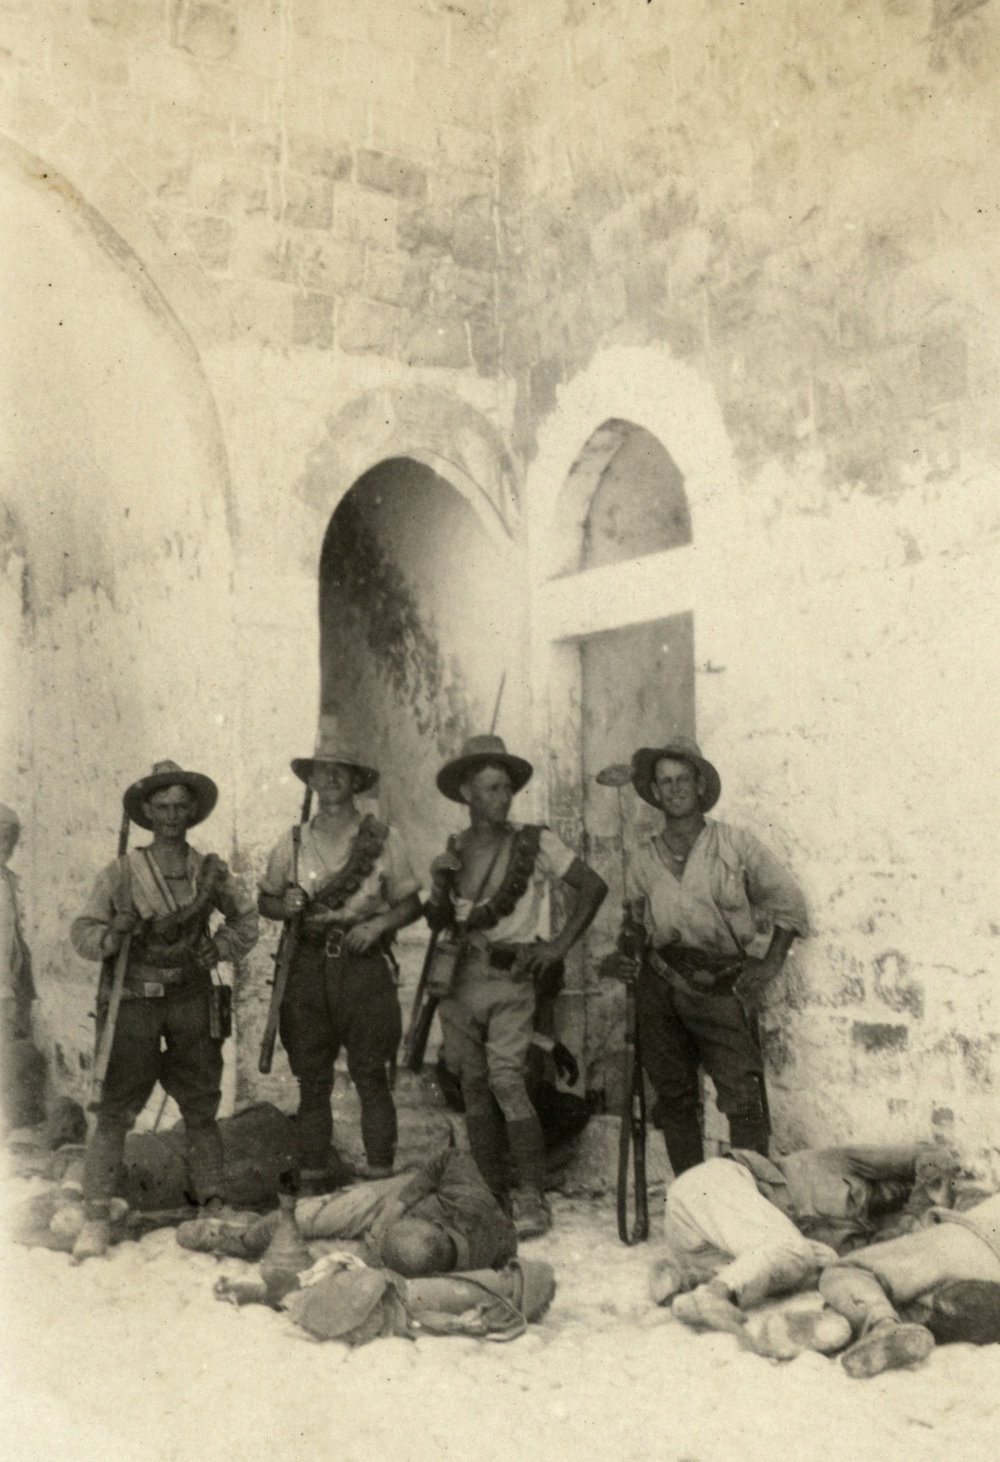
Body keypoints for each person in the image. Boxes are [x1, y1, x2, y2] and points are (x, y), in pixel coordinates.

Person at [70, 761, 259, 1261]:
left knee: (200, 1107)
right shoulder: (122, 872)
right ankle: (94, 1214)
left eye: (181, 807)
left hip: (191, 1001)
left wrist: (216, 948)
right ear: (147, 813)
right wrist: (114, 934)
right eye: (162, 808)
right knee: (114, 1111)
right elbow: (84, 934)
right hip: (134, 1005)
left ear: (193, 811)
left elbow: (246, 923)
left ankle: (213, 1203)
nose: (172, 816)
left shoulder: (209, 872)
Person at [424, 733, 607, 1239]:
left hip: (511, 978)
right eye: (489, 788)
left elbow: (592, 887)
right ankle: (488, 1192)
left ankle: (531, 1194)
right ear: (466, 793)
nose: (501, 799)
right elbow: (440, 919)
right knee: (475, 1087)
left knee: (508, 1080)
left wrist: (558, 947)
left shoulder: (535, 841)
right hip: (460, 980)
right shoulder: (454, 850)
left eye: (506, 788)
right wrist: (439, 883)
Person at [623, 736, 808, 1175]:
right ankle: (695, 1200)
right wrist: (627, 948)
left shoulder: (735, 845)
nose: (674, 789)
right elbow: (632, 924)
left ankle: (752, 1200)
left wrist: (770, 963)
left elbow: (789, 903)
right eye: (664, 782)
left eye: (683, 778)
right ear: (655, 792)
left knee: (742, 1099)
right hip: (661, 986)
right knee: (675, 1098)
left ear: (700, 785)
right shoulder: (643, 859)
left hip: (721, 987)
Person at [257, 722, 422, 1191]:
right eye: (322, 771)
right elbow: (265, 900)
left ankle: (378, 1181)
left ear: (356, 781)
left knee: (370, 1074)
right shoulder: (290, 842)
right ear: (310, 780)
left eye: (341, 772)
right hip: (306, 966)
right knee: (312, 1081)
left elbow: (412, 902)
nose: (331, 779)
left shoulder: (385, 838)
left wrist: (378, 925)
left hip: (362, 965)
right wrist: (282, 905)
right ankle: (312, 1182)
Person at [653, 1143, 963, 1363]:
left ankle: (685, 1281)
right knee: (793, 1249)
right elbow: (934, 1156)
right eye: (886, 1188)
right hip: (714, 1185)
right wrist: (922, 1198)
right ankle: (714, 1293)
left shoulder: (857, 1234)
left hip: (708, 1244)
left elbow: (860, 1265)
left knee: (819, 1261)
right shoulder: (840, 1161)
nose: (886, 1196)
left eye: (892, 1200)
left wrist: (911, 1221)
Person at [177, 1145, 518, 1275]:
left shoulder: (479, 1261)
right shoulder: (472, 1202)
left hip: (392, 1247)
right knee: (301, 1219)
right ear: (437, 1226)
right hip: (391, 1201)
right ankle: (238, 1237)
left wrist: (374, 1252)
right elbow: (449, 1158)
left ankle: (258, 1231)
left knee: (314, 1258)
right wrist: (395, 1212)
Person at [818, 1192, 1000, 1376]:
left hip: (970, 1240)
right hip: (983, 1264)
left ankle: (883, 1326)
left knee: (847, 1269)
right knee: (922, 1295)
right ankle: (837, 1324)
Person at [0, 804, 36, 1043]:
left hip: (9, 993)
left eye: (9, 839)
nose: (5, 847)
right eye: (0, 838)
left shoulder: (10, 882)